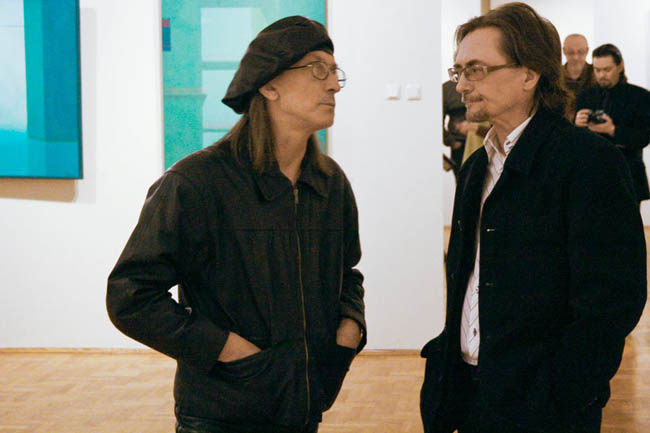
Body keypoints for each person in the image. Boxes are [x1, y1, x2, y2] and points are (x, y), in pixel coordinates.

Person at [106, 16, 366, 433]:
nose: (334, 84)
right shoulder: (196, 183)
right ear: (269, 85)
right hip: (221, 412)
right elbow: (130, 296)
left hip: (304, 405)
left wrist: (347, 334)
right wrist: (228, 350)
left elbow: (347, 273)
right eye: (318, 69)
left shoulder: (329, 183)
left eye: (336, 72)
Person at [420, 3, 647, 433]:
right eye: (458, 71)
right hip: (470, 397)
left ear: (529, 74)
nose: (462, 85)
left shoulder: (588, 162)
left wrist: (563, 391)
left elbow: (613, 299)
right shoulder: (476, 167)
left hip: (542, 409)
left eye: (476, 70)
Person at [575, 43, 650, 204]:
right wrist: (576, 124)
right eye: (597, 70)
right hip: (592, 173)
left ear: (620, 67)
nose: (602, 75)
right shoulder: (585, 96)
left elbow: (644, 137)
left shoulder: (640, 97)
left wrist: (613, 130)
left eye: (607, 70)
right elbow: (575, 141)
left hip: (628, 173)